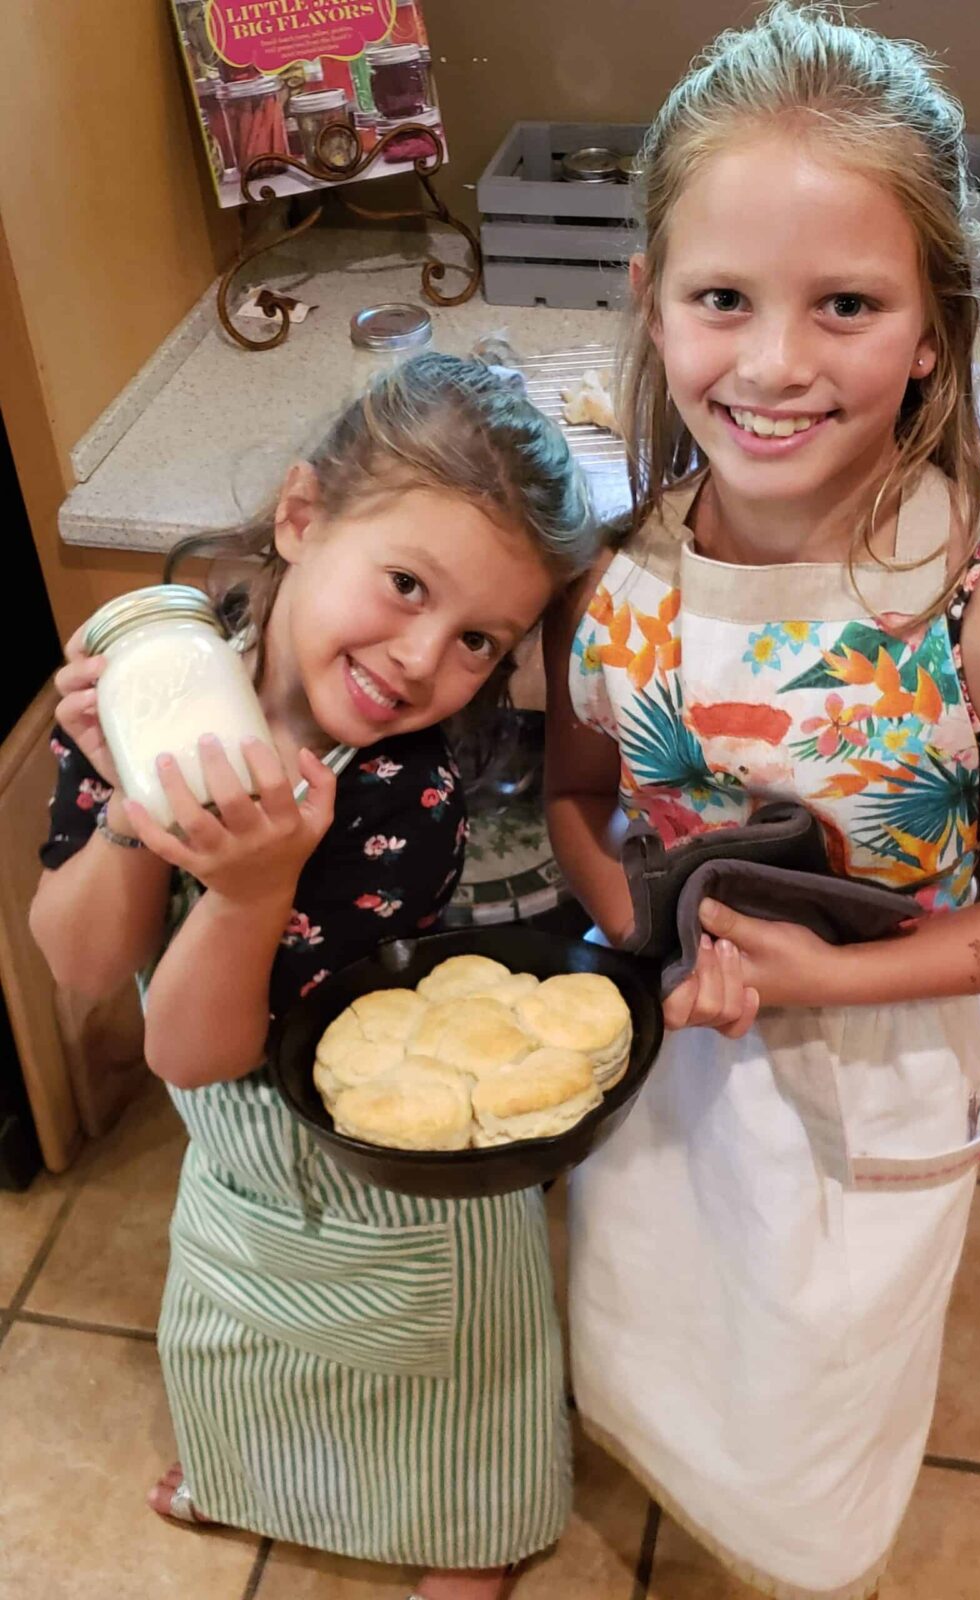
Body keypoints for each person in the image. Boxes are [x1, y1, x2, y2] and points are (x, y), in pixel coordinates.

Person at [542, 8, 980, 1597]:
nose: (771, 363)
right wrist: (649, 937)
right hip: (677, 1035)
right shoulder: (618, 576)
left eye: (844, 303)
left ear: (932, 330)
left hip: (876, 1058)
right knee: (668, 1305)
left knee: (820, 1374)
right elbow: (574, 793)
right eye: (721, 300)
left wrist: (833, 976)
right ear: (652, 302)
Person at [31, 353, 600, 1600]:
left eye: (476, 641)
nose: (417, 660)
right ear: (301, 517)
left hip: (393, 1175)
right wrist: (133, 800)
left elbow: (195, 1049)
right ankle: (255, 1476)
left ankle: (475, 1527)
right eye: (404, 585)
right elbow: (80, 962)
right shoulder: (163, 687)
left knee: (451, 1368)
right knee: (246, 1335)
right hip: (238, 1167)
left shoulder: (404, 796)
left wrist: (250, 887)